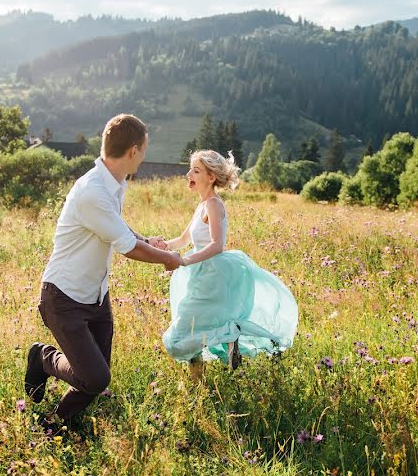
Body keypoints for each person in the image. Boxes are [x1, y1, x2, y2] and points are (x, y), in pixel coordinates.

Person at [24, 114, 183, 432]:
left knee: (93, 377)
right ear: (134, 150)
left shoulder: (115, 185)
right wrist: (167, 258)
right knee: (96, 377)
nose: (144, 156)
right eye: (145, 150)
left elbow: (118, 229)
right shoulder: (93, 191)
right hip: (64, 297)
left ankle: (55, 422)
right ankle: (42, 359)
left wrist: (147, 239)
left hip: (96, 295)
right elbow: (127, 248)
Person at [160, 149, 298, 371]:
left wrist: (184, 261)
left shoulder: (214, 204)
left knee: (185, 331)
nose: (188, 175)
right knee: (194, 330)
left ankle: (230, 338)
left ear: (211, 177)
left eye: (195, 171)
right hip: (199, 273)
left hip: (212, 274)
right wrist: (160, 246)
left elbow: (217, 245)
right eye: (190, 170)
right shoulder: (202, 205)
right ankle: (210, 369)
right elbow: (184, 239)